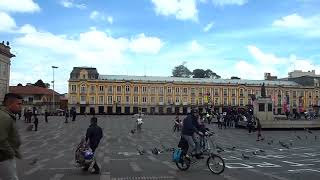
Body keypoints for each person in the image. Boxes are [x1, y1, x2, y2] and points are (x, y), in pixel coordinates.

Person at [0, 93, 23, 180]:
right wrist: (11, 153)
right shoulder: (5, 117)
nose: (21, 107)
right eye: (18, 104)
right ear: (9, 104)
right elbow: (1, 139)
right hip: (4, 157)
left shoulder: (6, 115)